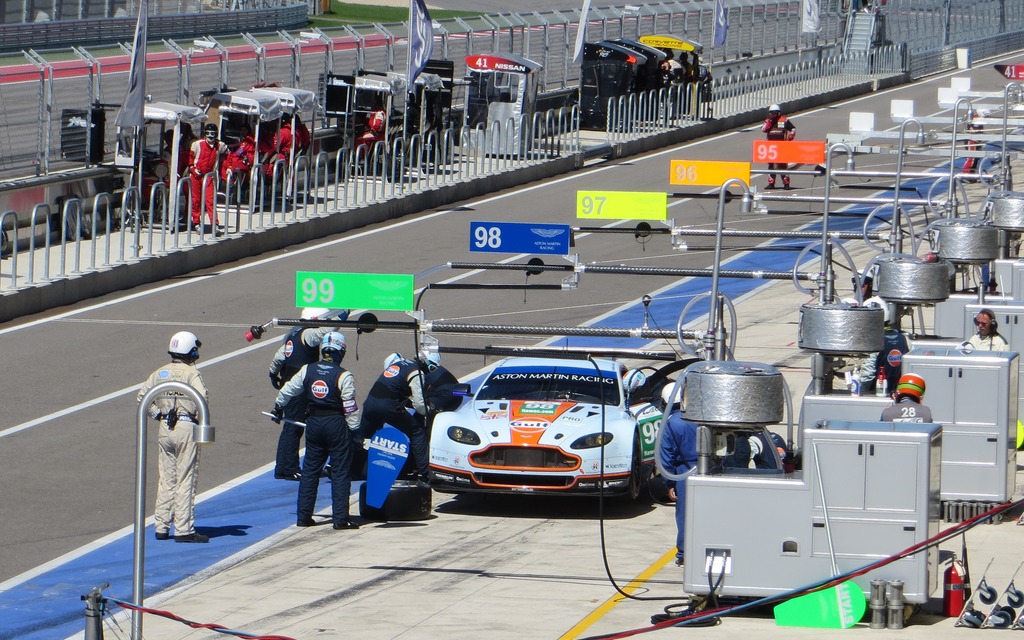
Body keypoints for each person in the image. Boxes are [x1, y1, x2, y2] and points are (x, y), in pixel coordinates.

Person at [272, 332, 361, 530]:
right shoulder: (344, 375)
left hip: (313, 424)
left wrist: (278, 407)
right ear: (341, 351)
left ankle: (303, 517)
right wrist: (355, 432)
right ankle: (340, 519)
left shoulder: (307, 370)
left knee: (310, 471)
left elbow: (288, 389)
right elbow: (350, 407)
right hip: (335, 424)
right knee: (340, 472)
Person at [137, 331, 210, 543]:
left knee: (166, 478)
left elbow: (142, 397)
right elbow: (202, 396)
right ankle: (184, 529)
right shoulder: (190, 373)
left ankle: (161, 525)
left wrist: (157, 414)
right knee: (186, 477)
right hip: (186, 426)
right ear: (191, 350)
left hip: (164, 428)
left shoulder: (159, 373)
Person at [267, 307, 349, 481]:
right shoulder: (308, 334)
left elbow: (279, 356)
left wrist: (273, 373)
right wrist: (341, 317)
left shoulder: (292, 334)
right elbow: (325, 333)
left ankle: (283, 467)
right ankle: (289, 468)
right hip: (300, 384)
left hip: (289, 380)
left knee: (290, 425)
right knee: (294, 426)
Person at [358, 352, 430, 482]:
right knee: (417, 432)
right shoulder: (417, 373)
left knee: (361, 436)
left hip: (370, 403)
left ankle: (348, 467)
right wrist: (429, 410)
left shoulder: (399, 364)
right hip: (388, 406)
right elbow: (420, 406)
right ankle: (423, 472)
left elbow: (394, 389)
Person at [657, 386, 698, 567]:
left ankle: (685, 552)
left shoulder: (672, 423)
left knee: (685, 515)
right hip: (712, 469)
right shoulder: (703, 416)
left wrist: (669, 482)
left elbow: (666, 457)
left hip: (684, 472)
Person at [860, 298, 912, 394]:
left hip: (876, 393)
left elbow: (868, 374)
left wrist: (861, 392)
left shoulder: (874, 341)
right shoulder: (903, 338)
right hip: (896, 392)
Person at [187, 123, 228, 231]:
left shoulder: (220, 145)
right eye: (208, 134)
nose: (210, 136)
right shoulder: (197, 144)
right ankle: (196, 222)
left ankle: (215, 223)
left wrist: (228, 166)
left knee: (210, 200)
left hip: (209, 176)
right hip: (196, 176)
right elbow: (190, 159)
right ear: (204, 134)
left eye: (213, 134)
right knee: (196, 200)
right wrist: (193, 170)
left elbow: (228, 155)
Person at [761, 104, 796, 189]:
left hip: (782, 146)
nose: (774, 115)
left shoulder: (784, 120)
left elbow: (793, 129)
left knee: (782, 165)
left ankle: (786, 183)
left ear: (779, 112)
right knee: (771, 165)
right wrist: (769, 122)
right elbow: (763, 129)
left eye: (775, 113)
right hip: (771, 147)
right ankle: (771, 183)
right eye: (772, 113)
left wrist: (791, 136)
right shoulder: (768, 121)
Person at [220, 124, 257, 195]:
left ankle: (229, 184)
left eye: (244, 130)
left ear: (248, 130)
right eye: (241, 130)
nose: (242, 132)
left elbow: (239, 152)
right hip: (246, 161)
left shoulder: (248, 140)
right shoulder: (248, 139)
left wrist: (229, 154)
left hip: (245, 163)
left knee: (225, 163)